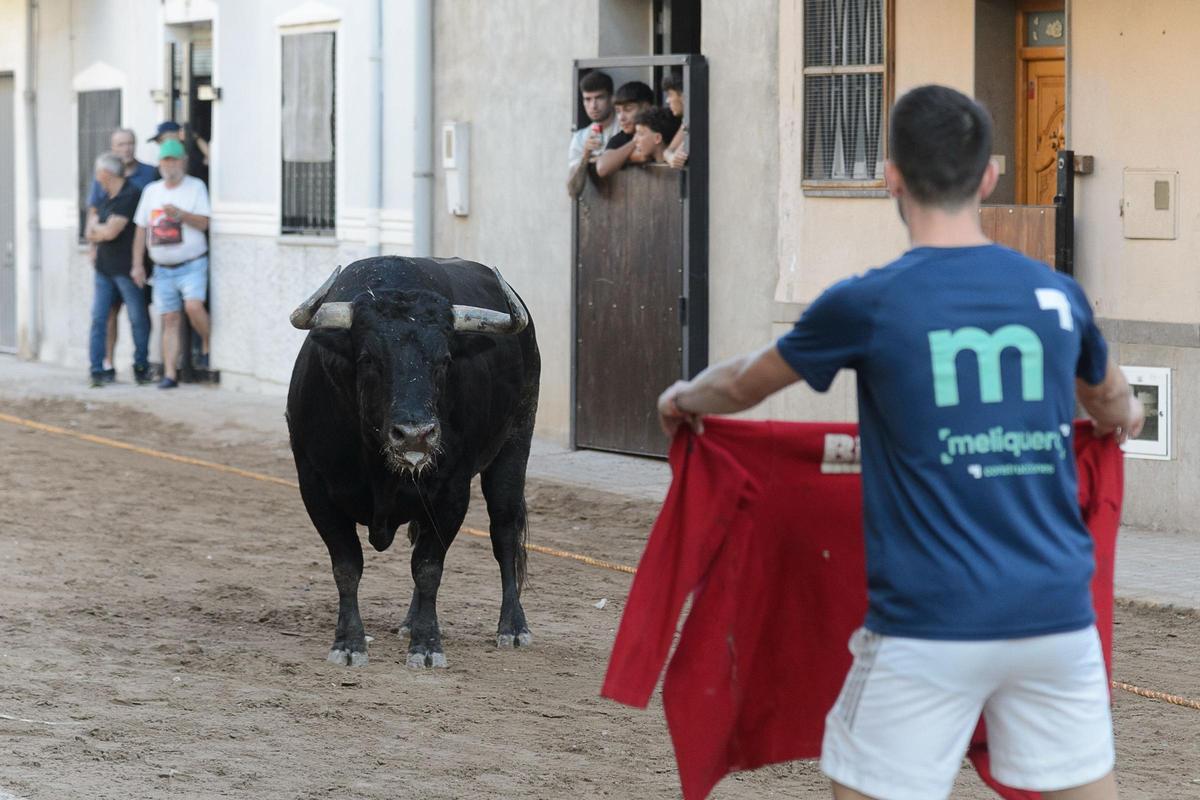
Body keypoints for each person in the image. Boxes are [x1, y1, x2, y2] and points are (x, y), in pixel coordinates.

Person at [656, 85, 1143, 800]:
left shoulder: (868, 300)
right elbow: (1113, 404)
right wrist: (1118, 418)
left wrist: (680, 398)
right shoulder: (1057, 296)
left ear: (891, 175)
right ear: (989, 177)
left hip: (928, 627)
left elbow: (743, 384)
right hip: (1054, 618)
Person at [132, 137, 212, 390]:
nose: (170, 165)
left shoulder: (196, 187)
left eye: (174, 159)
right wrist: (137, 263)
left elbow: (204, 223)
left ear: (183, 162)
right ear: (160, 163)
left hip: (192, 263)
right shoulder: (151, 191)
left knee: (193, 306)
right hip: (162, 268)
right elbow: (140, 230)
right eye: (165, 160)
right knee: (168, 319)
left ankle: (207, 344)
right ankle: (169, 374)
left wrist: (180, 214)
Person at [84, 128, 158, 382]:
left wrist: (99, 231)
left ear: (105, 174)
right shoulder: (105, 196)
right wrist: (96, 234)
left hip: (128, 269)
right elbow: (93, 228)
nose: (97, 178)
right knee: (99, 319)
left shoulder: (131, 194)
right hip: (104, 269)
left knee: (138, 319)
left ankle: (140, 367)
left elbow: (112, 231)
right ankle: (98, 368)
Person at [567, 70, 620, 198]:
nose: (593, 106)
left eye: (599, 98)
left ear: (612, 98)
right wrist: (586, 156)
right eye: (588, 99)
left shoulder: (624, 126)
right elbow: (573, 192)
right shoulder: (580, 137)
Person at [594, 81, 655, 178]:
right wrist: (634, 143)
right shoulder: (620, 139)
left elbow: (644, 156)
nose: (621, 118)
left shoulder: (662, 129)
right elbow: (602, 168)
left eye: (628, 109)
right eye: (618, 111)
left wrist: (621, 158)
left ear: (646, 108)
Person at [660, 73, 688, 169]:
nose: (667, 101)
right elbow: (667, 151)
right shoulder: (687, 121)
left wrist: (673, 156)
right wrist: (671, 158)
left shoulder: (699, 119)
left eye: (670, 95)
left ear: (684, 97)